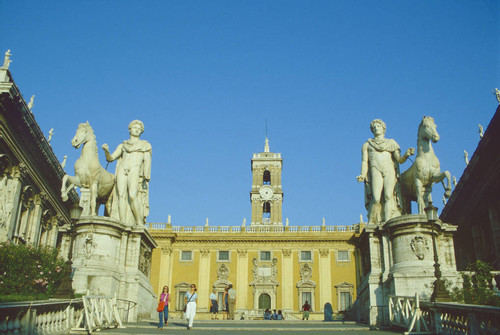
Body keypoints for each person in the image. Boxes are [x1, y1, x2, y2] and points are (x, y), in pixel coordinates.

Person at [356, 119, 414, 224]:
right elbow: (365, 162)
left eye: (378, 126)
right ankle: (372, 222)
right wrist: (363, 174)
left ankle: (388, 222)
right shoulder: (367, 145)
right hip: (375, 170)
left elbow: (399, 160)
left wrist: (406, 155)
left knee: (388, 196)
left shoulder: (391, 143)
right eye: (373, 128)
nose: (376, 129)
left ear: (383, 129)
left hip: (389, 170)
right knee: (376, 198)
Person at [102, 120, 152, 226]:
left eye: (139, 129)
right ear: (130, 129)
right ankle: (122, 223)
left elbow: (147, 161)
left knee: (133, 195)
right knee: (121, 195)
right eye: (135, 127)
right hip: (122, 169)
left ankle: (139, 223)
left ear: (141, 132)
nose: (137, 130)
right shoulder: (123, 145)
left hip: (135, 170)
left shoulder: (145, 145)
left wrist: (146, 177)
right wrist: (106, 151)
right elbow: (111, 158)